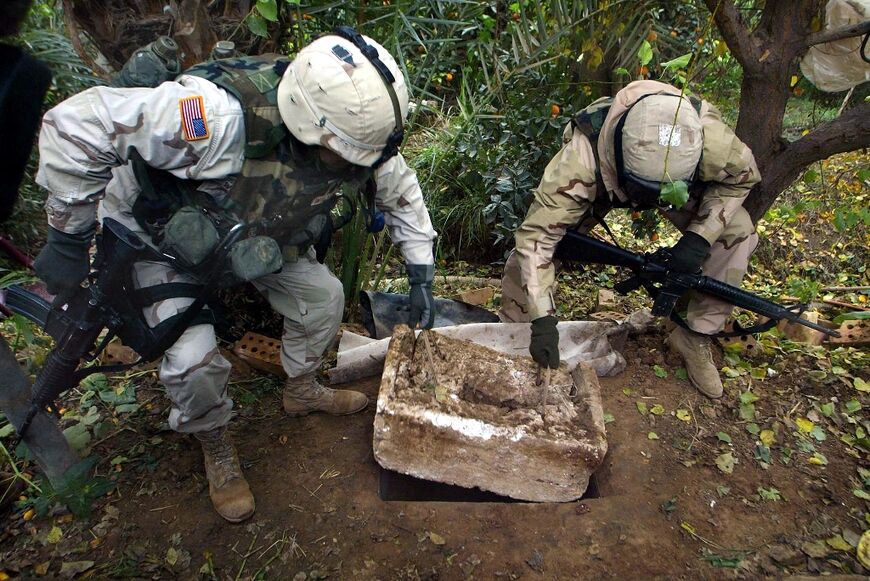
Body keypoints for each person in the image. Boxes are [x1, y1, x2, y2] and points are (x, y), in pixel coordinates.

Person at [33, 29, 437, 522]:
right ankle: (215, 442)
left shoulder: (360, 142)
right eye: (349, 156)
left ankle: (301, 389)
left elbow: (400, 191)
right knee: (192, 359)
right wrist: (68, 238)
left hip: (251, 234)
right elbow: (75, 123)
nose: (360, 167)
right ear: (311, 127)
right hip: (160, 237)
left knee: (324, 296)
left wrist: (420, 272)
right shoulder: (213, 115)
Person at [500, 79, 760, 400]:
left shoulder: (711, 142)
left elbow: (743, 177)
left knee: (738, 231)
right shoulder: (580, 159)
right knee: (532, 253)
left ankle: (693, 335)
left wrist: (699, 238)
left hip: (676, 189)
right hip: (605, 178)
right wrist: (542, 321)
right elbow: (537, 237)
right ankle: (511, 333)